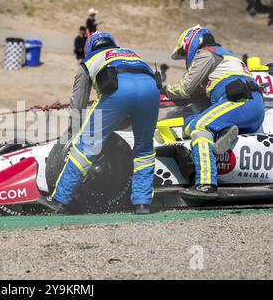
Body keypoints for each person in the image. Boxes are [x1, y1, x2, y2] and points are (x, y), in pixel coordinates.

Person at [40, 32, 160, 214]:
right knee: (144, 148)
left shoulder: (89, 61)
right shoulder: (131, 54)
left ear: (89, 48)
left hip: (120, 92)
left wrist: (75, 126)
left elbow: (78, 100)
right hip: (151, 91)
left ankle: (59, 200)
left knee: (86, 147)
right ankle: (142, 204)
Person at [165, 25, 264, 198]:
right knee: (195, 119)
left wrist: (164, 89)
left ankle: (206, 184)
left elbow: (185, 89)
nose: (185, 60)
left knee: (199, 126)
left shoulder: (205, 54)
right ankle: (225, 132)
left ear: (191, 44)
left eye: (184, 54)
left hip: (238, 102)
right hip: (254, 108)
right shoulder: (226, 55)